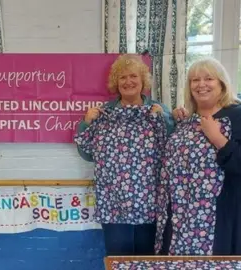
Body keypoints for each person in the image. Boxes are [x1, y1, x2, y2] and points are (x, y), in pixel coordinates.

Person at [155, 57, 241, 256]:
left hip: (221, 220)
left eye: (208, 79)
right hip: (182, 219)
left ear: (221, 83)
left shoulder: (239, 115)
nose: (201, 84)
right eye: (195, 80)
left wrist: (218, 138)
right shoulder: (187, 119)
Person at [74, 54, 174, 257]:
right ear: (115, 83)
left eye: (133, 76)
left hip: (150, 202)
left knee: (147, 259)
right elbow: (87, 154)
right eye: (122, 77)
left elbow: (173, 151)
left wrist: (166, 119)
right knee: (118, 258)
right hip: (114, 203)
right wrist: (86, 123)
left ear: (143, 80)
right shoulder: (103, 113)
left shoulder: (157, 110)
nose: (128, 81)